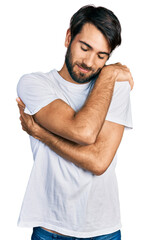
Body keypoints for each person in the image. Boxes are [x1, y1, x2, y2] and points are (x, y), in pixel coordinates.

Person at [16, 5, 133, 240]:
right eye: (85, 48)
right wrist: (110, 73)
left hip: (103, 231)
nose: (90, 62)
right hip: (49, 229)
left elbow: (99, 161)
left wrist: (43, 134)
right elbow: (83, 131)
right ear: (69, 37)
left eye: (102, 56)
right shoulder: (33, 84)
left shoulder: (115, 86)